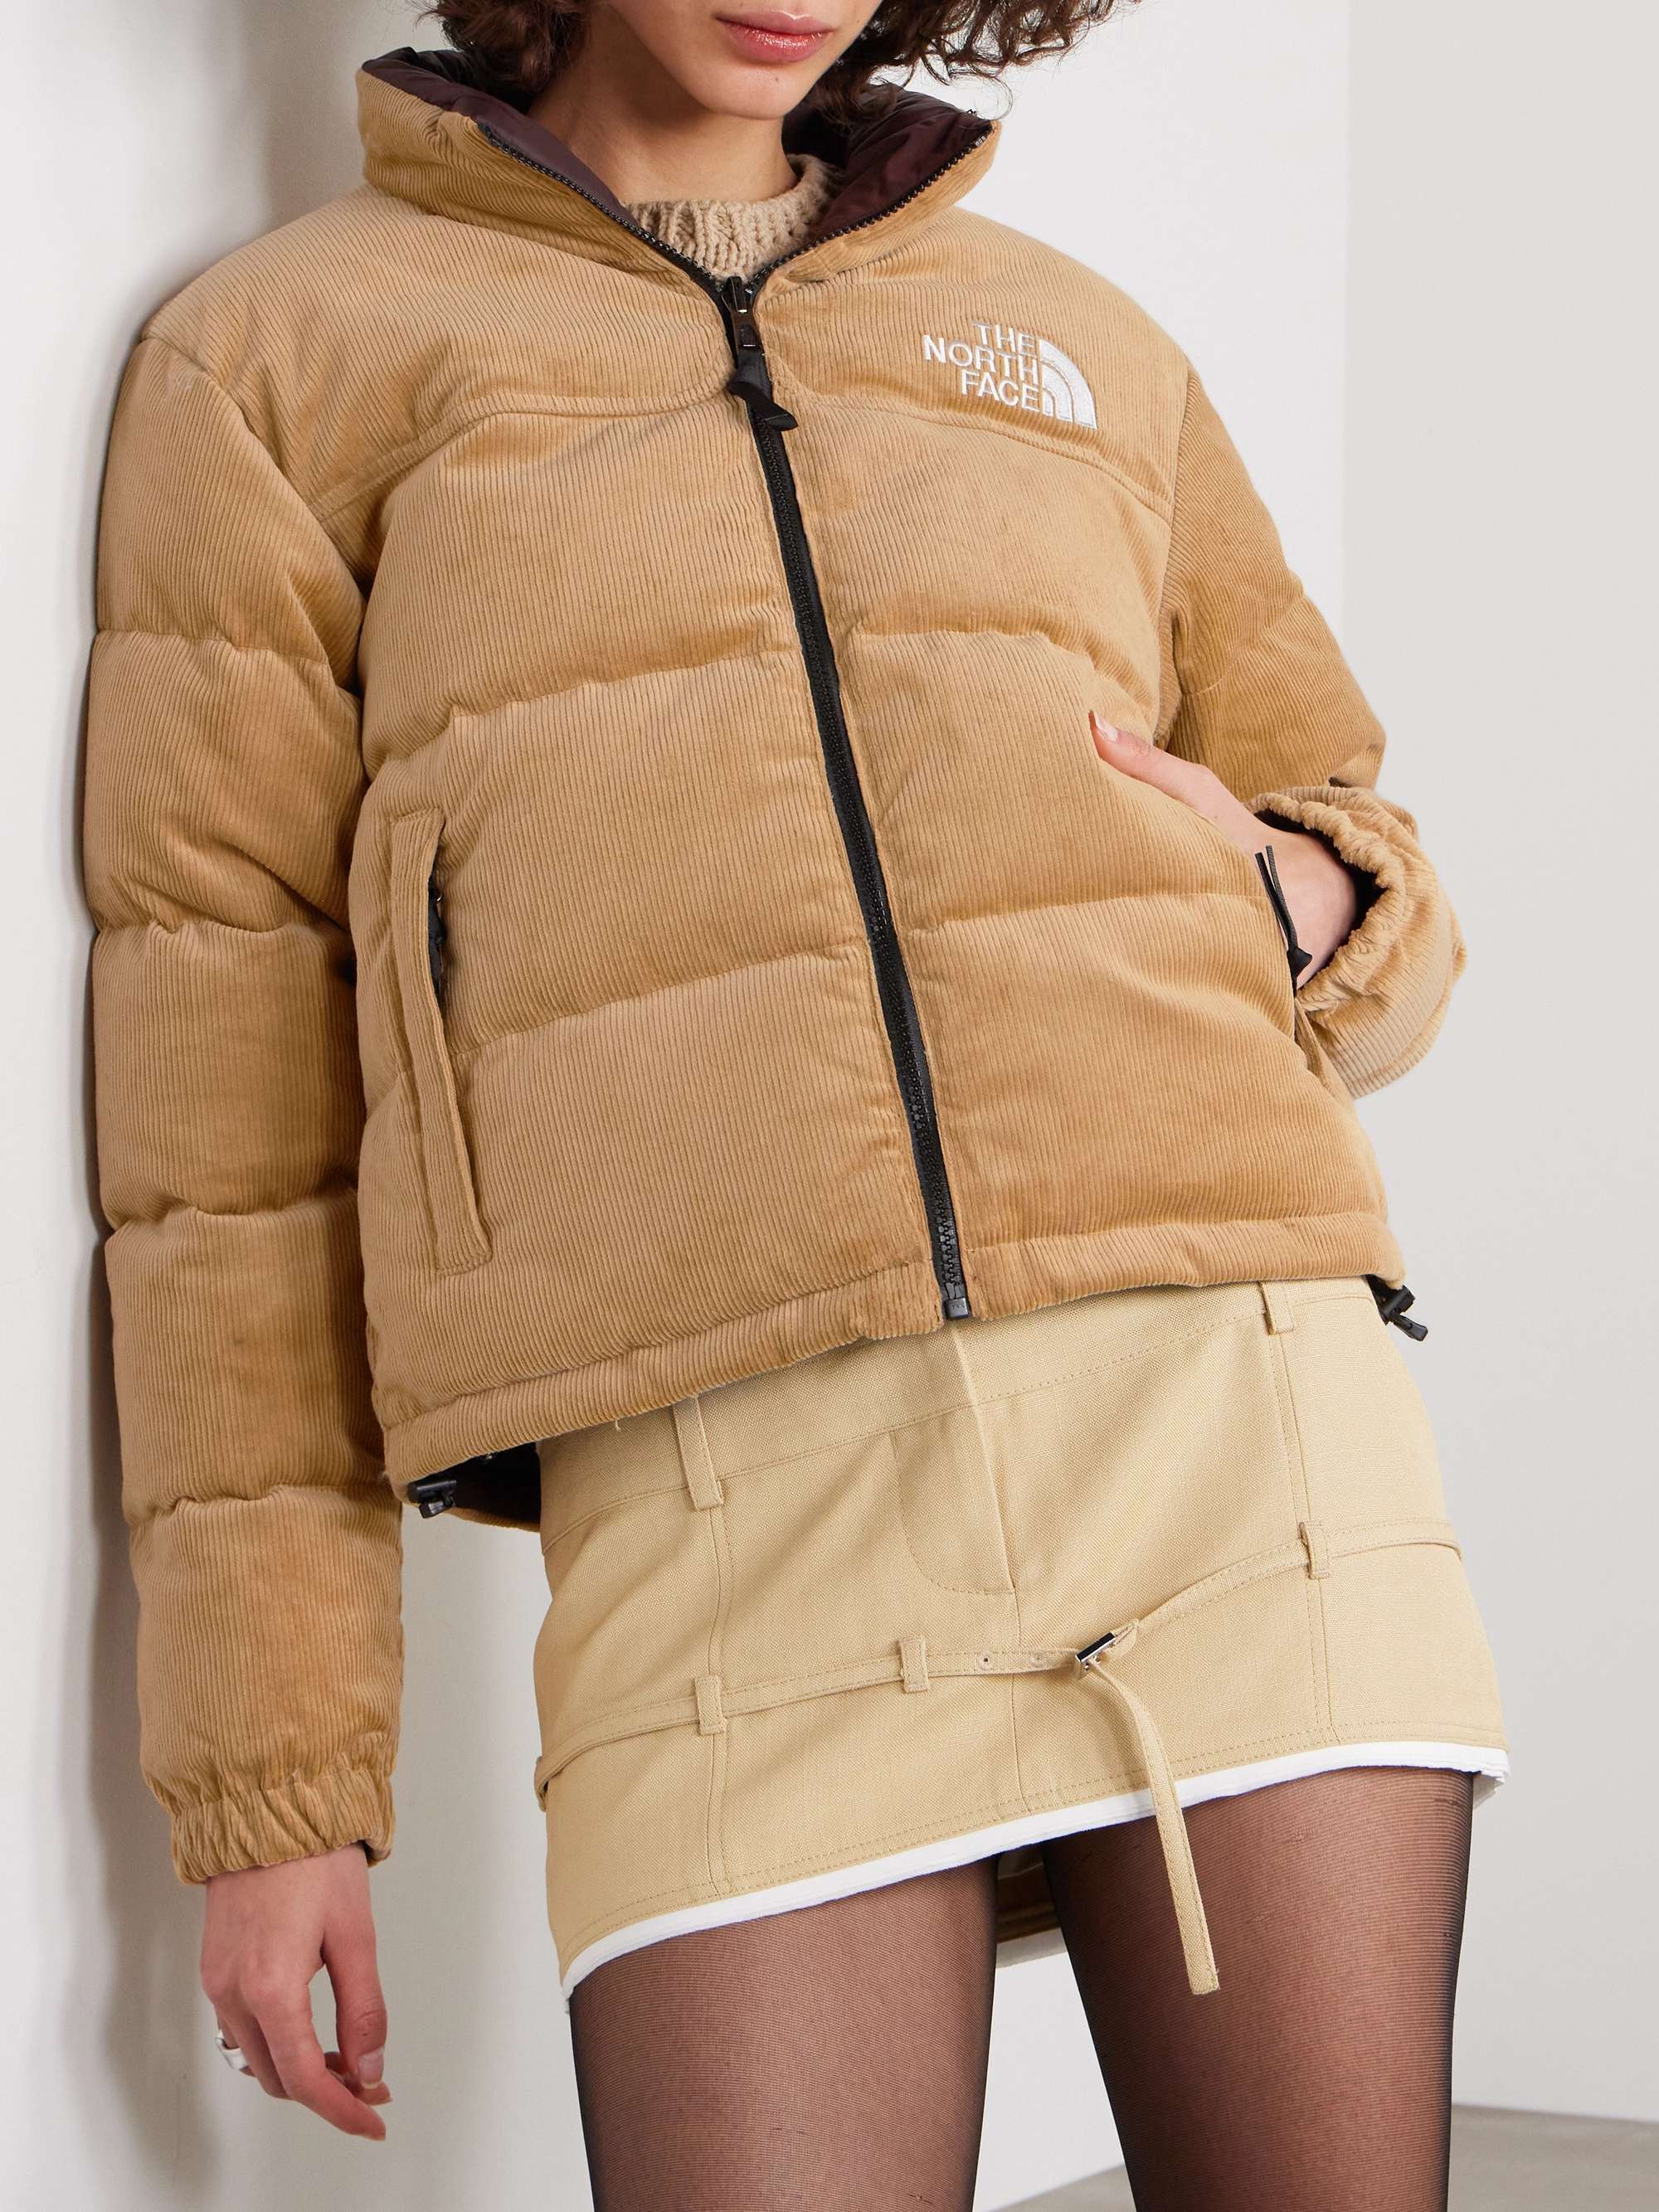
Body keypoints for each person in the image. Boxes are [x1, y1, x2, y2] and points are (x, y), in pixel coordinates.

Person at [83, 3, 1508, 2204]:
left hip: (1230, 1421)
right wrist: (278, 1785)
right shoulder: (284, 359)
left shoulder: (1074, 339)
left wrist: (1314, 890)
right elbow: (221, 1120)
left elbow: (1348, 828)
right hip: (724, 1510)